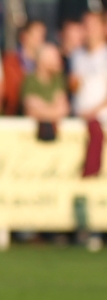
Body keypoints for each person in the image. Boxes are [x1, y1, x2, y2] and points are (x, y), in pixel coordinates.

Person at [68, 11, 107, 177]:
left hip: (101, 119)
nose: (88, 31)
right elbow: (74, 88)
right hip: (79, 119)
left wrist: (93, 111)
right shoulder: (77, 56)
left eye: (92, 26)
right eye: (86, 26)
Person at [21, 42, 69, 141]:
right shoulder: (30, 81)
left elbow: (63, 109)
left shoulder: (58, 79)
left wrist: (42, 111)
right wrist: (53, 111)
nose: (59, 61)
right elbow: (31, 110)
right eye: (55, 57)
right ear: (43, 60)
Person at [2, 20, 46, 115]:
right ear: (24, 36)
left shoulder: (47, 64)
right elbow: (10, 94)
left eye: (42, 35)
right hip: (16, 115)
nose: (40, 39)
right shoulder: (10, 62)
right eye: (37, 35)